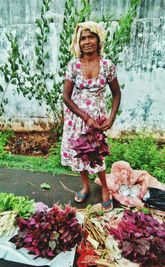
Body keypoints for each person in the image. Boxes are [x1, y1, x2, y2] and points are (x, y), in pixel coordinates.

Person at [61, 21, 121, 211]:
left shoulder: (107, 66)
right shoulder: (73, 66)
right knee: (78, 153)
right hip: (76, 118)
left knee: (97, 156)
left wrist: (111, 118)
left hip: (97, 120)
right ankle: (86, 186)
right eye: (83, 38)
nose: (87, 41)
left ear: (98, 40)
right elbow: (66, 97)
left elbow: (117, 94)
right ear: (78, 42)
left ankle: (104, 188)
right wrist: (84, 117)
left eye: (91, 37)